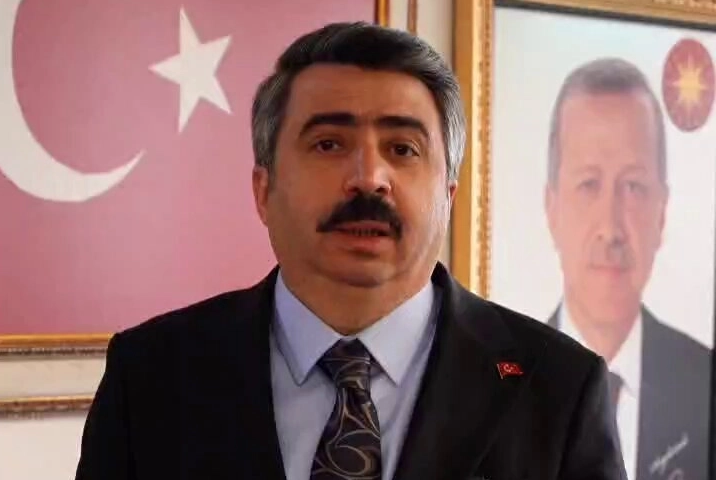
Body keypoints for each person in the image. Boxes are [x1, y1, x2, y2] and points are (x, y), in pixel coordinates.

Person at [75, 22, 626, 480]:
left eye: (402, 148)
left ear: (448, 196)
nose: (369, 178)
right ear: (264, 191)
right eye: (329, 144)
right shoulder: (151, 376)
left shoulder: (557, 388)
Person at [543, 58, 711, 480]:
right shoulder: (501, 385)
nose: (611, 228)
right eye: (589, 184)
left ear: (662, 212)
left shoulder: (705, 385)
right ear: (552, 208)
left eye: (634, 187)